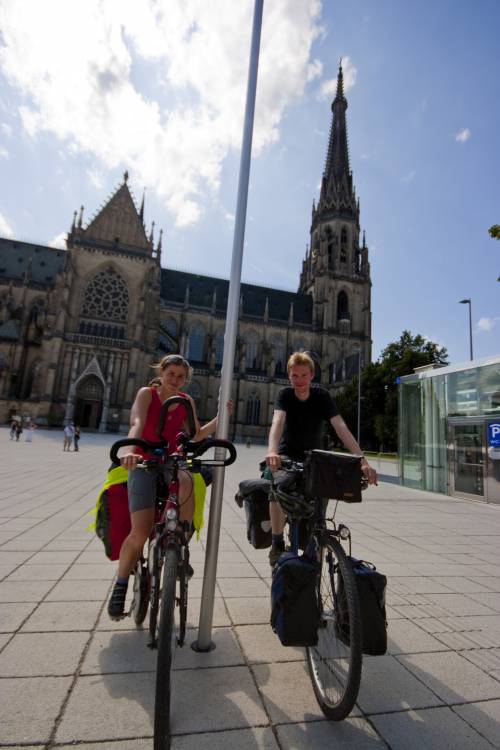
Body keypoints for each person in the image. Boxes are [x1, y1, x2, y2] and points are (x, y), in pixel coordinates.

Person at [107, 354, 229, 620]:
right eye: (171, 374)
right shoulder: (146, 394)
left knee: (187, 480)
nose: (175, 380)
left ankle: (179, 546)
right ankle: (120, 584)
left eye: (180, 376)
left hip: (172, 462)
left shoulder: (186, 401)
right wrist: (129, 451)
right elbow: (136, 424)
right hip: (144, 460)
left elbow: (195, 434)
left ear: (186, 380)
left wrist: (220, 420)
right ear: (161, 373)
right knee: (139, 532)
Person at [266, 351, 377, 565]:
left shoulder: (322, 397)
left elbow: (341, 427)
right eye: (295, 375)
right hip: (286, 455)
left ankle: (315, 559)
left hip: (314, 458)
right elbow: (277, 422)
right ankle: (277, 541)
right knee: (276, 488)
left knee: (318, 515)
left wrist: (362, 460)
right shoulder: (285, 395)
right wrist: (272, 451)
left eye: (303, 375)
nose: (299, 380)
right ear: (289, 375)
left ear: (312, 375)